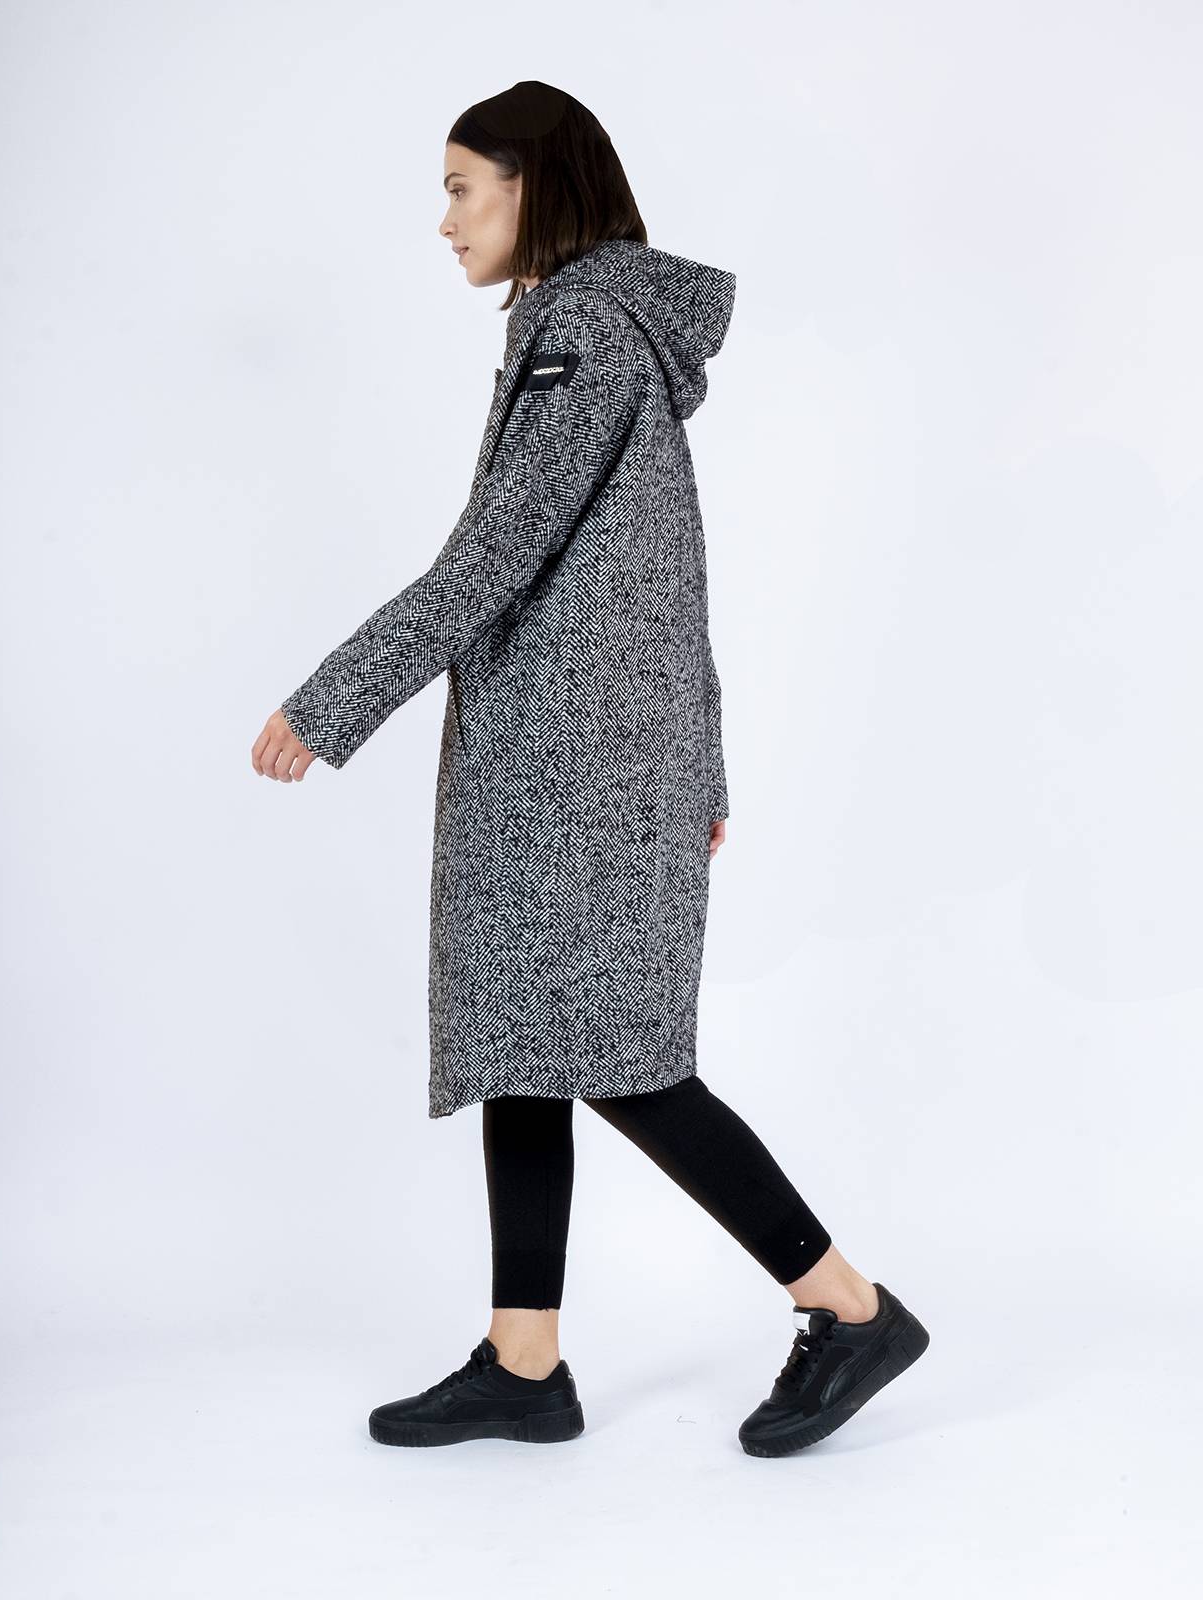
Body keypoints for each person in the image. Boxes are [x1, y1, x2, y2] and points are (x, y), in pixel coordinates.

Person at [251, 80, 929, 1457]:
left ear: (534, 187)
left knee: (623, 1059)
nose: (445, 221)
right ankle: (526, 1362)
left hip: (577, 772)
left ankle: (848, 1305)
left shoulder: (584, 333)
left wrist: (333, 702)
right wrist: (706, 765)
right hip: (583, 760)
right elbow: (674, 573)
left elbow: (493, 558)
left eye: (462, 189)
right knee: (526, 1042)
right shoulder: (592, 330)